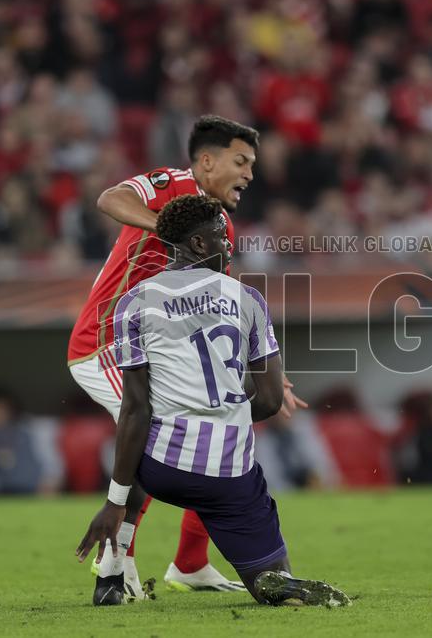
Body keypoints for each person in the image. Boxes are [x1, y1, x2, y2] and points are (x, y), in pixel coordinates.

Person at [66, 115, 308, 600]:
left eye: (253, 165)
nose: (249, 174)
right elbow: (109, 199)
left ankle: (192, 564)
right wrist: (171, 228)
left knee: (219, 430)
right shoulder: (171, 186)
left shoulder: (223, 230)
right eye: (241, 161)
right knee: (151, 430)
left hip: (158, 349)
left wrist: (267, 377)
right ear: (206, 161)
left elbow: (220, 311)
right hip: (105, 343)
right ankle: (114, 571)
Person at [75, 195, 349, 608]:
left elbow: (134, 410)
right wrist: (229, 418)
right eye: (222, 235)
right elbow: (272, 400)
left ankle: (112, 576)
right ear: (199, 245)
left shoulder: (134, 302)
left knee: (139, 437)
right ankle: (272, 583)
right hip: (230, 473)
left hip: (162, 468)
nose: (229, 244)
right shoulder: (247, 298)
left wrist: (113, 502)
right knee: (268, 579)